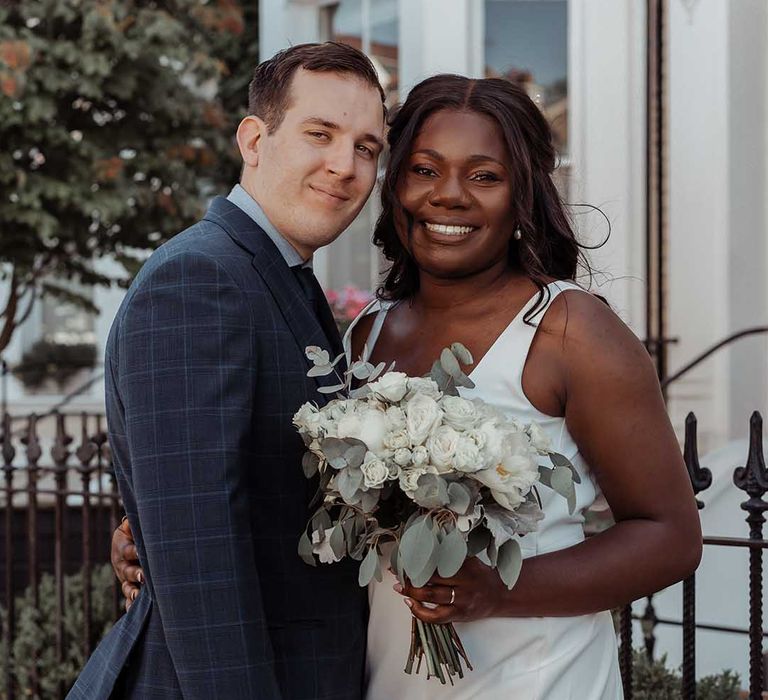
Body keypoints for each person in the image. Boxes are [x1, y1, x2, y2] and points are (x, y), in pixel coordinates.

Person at [111, 74, 703, 699]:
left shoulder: (569, 331)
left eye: (484, 176)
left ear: (522, 196)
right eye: (424, 170)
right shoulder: (368, 331)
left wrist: (495, 589)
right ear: (395, 188)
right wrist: (153, 532)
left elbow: (669, 536)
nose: (449, 196)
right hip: (386, 677)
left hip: (536, 677)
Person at [68, 42, 386, 700]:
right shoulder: (199, 280)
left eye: (367, 148)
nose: (344, 165)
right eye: (319, 134)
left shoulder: (281, 279)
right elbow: (198, 554)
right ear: (254, 139)